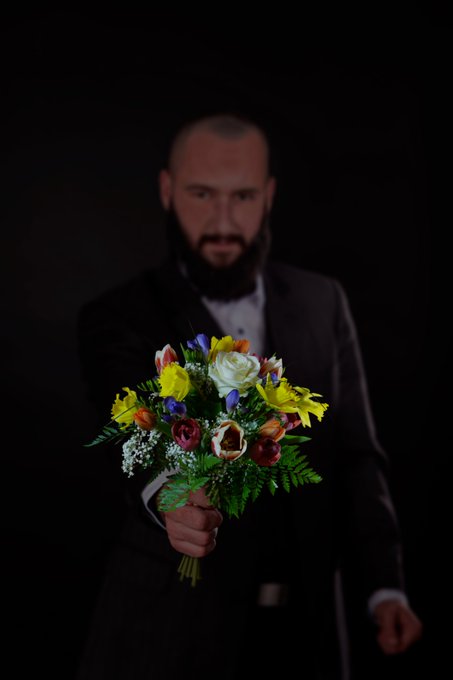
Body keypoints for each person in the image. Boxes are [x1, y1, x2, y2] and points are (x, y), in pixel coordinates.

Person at [76, 112, 423, 679]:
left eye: (241, 197)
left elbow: (357, 458)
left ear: (269, 196)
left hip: (309, 634)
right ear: (167, 191)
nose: (223, 221)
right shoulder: (117, 316)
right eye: (202, 194)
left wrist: (386, 588)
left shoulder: (323, 302)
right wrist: (173, 500)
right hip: (170, 636)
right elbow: (132, 437)